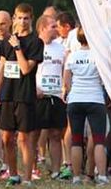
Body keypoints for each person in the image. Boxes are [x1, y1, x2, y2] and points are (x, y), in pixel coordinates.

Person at [0, 5, 44, 185]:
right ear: (14, 18)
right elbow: (3, 65)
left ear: (31, 19)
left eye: (26, 18)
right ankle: (13, 174)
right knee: (6, 137)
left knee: (24, 138)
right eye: (20, 18)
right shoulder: (7, 41)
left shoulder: (36, 42)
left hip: (24, 95)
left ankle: (28, 177)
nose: (22, 21)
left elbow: (25, 68)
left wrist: (17, 48)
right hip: (7, 94)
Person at [63, 27, 109, 185]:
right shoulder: (98, 56)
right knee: (99, 140)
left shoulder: (72, 56)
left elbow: (67, 81)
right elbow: (104, 79)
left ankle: (76, 177)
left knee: (76, 140)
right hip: (95, 99)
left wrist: (72, 92)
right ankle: (102, 176)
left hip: (76, 99)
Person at [34, 15, 70, 180]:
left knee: (56, 134)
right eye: (53, 26)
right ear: (42, 28)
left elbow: (65, 71)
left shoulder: (61, 48)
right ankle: (32, 169)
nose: (56, 29)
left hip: (56, 96)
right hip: (39, 96)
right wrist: (34, 89)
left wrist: (65, 88)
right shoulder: (34, 45)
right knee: (34, 134)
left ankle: (56, 170)